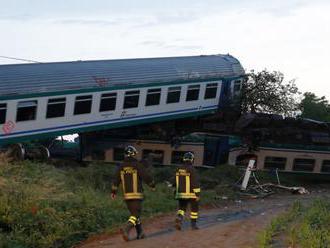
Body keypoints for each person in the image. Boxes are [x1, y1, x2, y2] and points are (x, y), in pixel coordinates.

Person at [111, 145, 156, 241]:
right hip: (136, 194)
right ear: (133, 154)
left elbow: (116, 180)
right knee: (136, 214)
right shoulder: (137, 165)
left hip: (127, 195)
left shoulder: (121, 166)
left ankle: (140, 233)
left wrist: (114, 191)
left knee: (135, 214)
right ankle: (126, 228)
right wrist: (152, 185)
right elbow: (146, 176)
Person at [174, 152, 201, 230]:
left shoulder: (178, 169)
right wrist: (197, 194)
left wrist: (173, 187)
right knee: (194, 209)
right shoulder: (192, 169)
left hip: (181, 194)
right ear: (192, 160)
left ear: (184, 159)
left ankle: (179, 217)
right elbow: (195, 183)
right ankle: (193, 225)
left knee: (182, 208)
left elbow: (174, 181)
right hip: (191, 194)